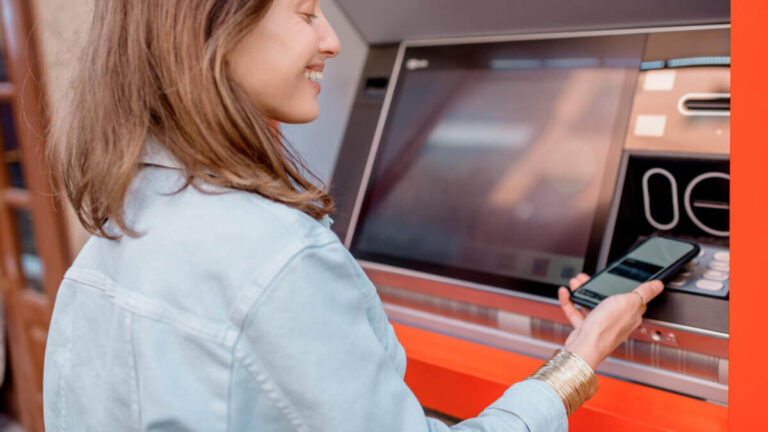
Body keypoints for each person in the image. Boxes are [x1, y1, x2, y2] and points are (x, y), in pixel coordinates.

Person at [42, 0, 664, 431]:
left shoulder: (108, 243)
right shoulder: (279, 260)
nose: (332, 41)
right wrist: (578, 360)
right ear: (214, 30)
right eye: (307, 14)